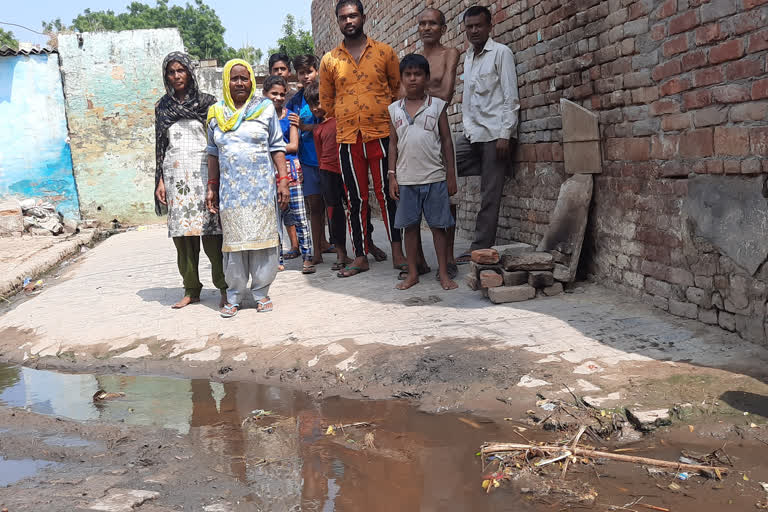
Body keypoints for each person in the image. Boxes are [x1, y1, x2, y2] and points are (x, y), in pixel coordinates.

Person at [319, 0, 407, 278]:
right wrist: (350, 115)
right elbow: (327, 101)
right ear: (338, 21)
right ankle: (360, 255)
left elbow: (396, 90)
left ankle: (397, 251)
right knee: (355, 198)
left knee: (388, 194)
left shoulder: (385, 52)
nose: (349, 21)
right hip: (347, 137)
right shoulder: (330, 60)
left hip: (381, 133)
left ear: (363, 17)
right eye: (343, 17)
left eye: (353, 15)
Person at [205, 59, 290, 318]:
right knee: (234, 246)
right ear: (226, 82)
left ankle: (261, 293)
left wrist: (283, 180)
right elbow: (212, 153)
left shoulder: (264, 109)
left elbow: (277, 146)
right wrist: (211, 186)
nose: (239, 83)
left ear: (252, 81)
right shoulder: (216, 113)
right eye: (234, 78)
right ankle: (234, 296)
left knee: (263, 244)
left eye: (244, 78)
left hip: (261, 190)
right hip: (230, 194)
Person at [154, 52, 227, 310]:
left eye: (180, 70)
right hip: (175, 175)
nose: (176, 76)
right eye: (171, 72)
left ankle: (224, 286)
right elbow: (160, 146)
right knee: (183, 237)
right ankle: (191, 288)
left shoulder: (208, 103)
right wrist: (160, 180)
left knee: (212, 232)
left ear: (189, 72)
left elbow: (217, 141)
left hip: (204, 172)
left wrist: (217, 179)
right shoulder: (162, 107)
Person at [454, 5, 520, 263]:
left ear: (489, 27)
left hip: (496, 136)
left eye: (478, 26)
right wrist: (468, 131)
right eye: (469, 27)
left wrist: (506, 134)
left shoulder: (501, 53)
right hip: (473, 135)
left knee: (489, 195)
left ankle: (479, 249)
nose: (473, 31)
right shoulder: (468, 57)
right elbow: (468, 100)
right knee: (441, 164)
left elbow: (510, 97)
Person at [388, 54, 457, 291]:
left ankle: (444, 273)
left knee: (439, 227)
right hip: (406, 179)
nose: (413, 78)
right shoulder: (394, 109)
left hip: (435, 177)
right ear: (402, 79)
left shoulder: (437, 106)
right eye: (408, 74)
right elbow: (393, 144)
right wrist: (392, 176)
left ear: (426, 78)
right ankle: (413, 273)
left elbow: (447, 141)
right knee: (410, 227)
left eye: (418, 74)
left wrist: (451, 175)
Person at [417, 8, 461, 280]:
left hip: (440, 129)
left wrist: (417, 93)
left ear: (443, 28)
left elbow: (445, 94)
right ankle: (420, 259)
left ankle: (450, 255)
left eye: (432, 23)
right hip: (415, 134)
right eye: (422, 23)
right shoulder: (414, 59)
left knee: (447, 195)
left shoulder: (450, 54)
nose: (426, 28)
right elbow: (400, 96)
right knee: (418, 195)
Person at [264, 75, 314, 274]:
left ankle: (308, 257)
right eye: (273, 93)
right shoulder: (260, 117)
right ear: (264, 94)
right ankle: (277, 258)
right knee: (273, 218)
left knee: (300, 216)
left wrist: (271, 147)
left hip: (291, 172)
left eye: (282, 94)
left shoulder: (291, 115)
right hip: (268, 173)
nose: (278, 97)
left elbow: (294, 145)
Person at [286, 54, 329, 268]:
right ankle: (318, 250)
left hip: (330, 158)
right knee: (314, 205)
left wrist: (307, 127)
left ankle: (340, 247)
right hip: (308, 159)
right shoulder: (294, 101)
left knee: (334, 204)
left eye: (309, 71)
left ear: (317, 71)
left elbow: (332, 122)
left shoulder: (327, 93)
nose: (306, 76)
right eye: (301, 73)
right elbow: (293, 128)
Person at [305, 82, 351, 271]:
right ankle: (341, 253)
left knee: (353, 210)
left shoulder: (341, 120)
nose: (316, 108)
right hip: (327, 173)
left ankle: (362, 248)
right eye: (312, 104)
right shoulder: (319, 130)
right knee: (334, 212)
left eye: (319, 102)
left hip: (345, 170)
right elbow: (320, 154)